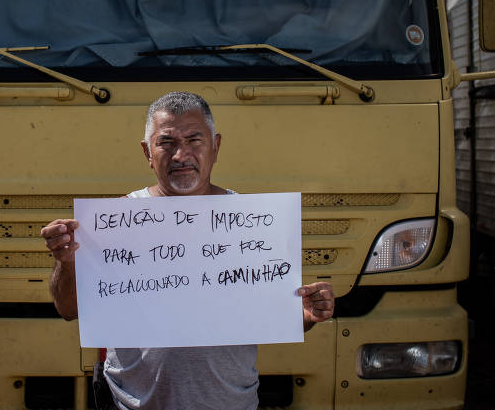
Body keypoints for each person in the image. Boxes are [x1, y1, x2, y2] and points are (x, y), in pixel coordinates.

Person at [41, 91, 335, 410]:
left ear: (216, 146)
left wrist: (304, 314)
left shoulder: (250, 223)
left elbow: (274, 314)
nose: (181, 154)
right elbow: (68, 309)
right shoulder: (115, 222)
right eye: (166, 142)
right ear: (147, 152)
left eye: (195, 139)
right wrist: (67, 262)